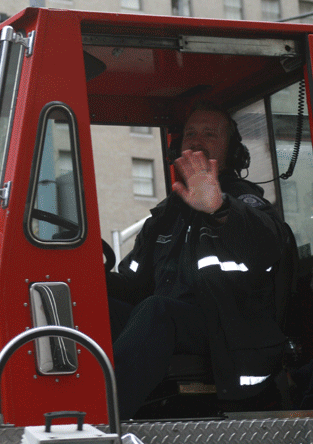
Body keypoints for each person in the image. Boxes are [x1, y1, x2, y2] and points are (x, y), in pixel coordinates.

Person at [107, 101, 291, 419]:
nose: (197, 140)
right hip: (168, 327)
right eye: (190, 133)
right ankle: (59, 407)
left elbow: (269, 247)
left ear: (233, 151)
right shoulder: (164, 216)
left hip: (228, 334)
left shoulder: (243, 203)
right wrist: (88, 276)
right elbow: (133, 285)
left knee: (156, 311)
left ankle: (101, 418)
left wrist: (219, 208)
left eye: (209, 134)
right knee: (99, 306)